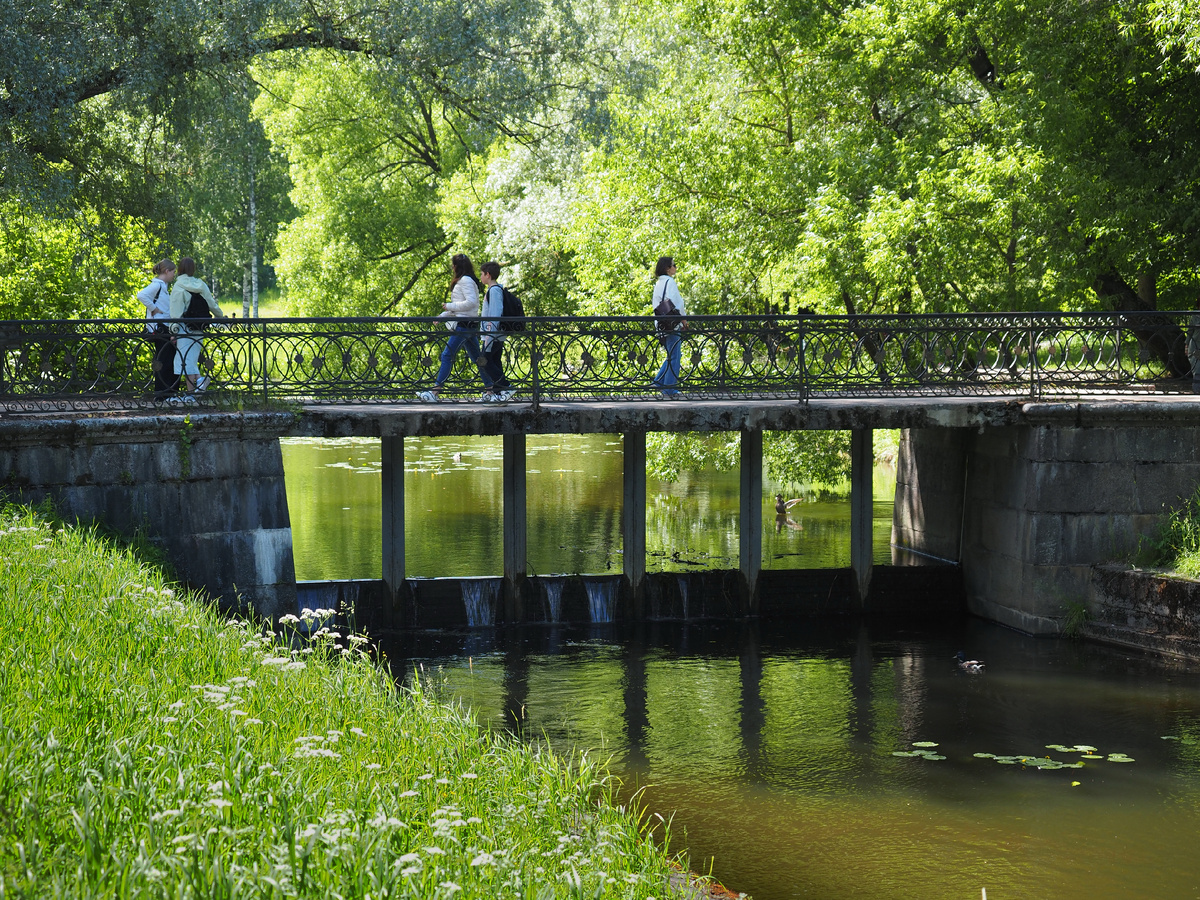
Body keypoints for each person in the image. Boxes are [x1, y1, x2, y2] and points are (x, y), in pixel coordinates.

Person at [417, 254, 491, 402]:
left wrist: (449, 306)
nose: (452, 268)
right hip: (468, 325)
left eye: (453, 265)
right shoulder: (467, 280)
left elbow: (470, 303)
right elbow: (462, 308)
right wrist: (443, 315)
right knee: (478, 359)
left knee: (447, 355)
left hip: (463, 326)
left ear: (457, 266)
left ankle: (435, 393)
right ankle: (491, 390)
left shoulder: (465, 280)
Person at [168, 257, 223, 405]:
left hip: (185, 328)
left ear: (180, 269)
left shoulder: (178, 286)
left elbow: (176, 312)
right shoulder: (201, 284)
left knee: (185, 360)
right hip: (199, 326)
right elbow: (211, 304)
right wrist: (221, 316)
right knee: (190, 358)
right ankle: (196, 385)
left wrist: (173, 331)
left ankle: (192, 392)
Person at [137, 259, 179, 400]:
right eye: (173, 272)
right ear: (167, 271)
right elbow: (141, 295)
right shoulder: (157, 285)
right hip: (161, 328)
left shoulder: (162, 286)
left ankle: (167, 393)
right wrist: (154, 309)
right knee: (164, 361)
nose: (174, 275)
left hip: (164, 327)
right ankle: (163, 394)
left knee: (167, 360)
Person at [650, 256, 687, 398]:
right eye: (674, 265)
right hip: (672, 324)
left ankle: (659, 382)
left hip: (661, 324)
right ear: (667, 268)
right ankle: (669, 389)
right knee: (675, 355)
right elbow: (677, 303)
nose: (675, 267)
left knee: (672, 355)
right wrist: (684, 320)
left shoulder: (659, 283)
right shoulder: (670, 282)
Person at [479, 261, 515, 403]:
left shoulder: (494, 291)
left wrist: (489, 336)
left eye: (482, 274)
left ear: (488, 275)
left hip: (492, 335)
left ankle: (506, 387)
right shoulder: (495, 290)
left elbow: (494, 314)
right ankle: (498, 394)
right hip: (495, 335)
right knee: (495, 362)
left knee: (484, 361)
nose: (481, 277)